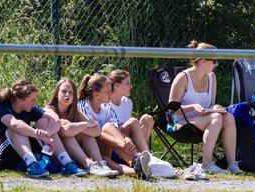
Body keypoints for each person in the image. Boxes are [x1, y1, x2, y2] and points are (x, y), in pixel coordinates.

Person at [169, 40, 243, 174]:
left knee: (228, 117)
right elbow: (171, 110)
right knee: (216, 118)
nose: (216, 64)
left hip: (202, 119)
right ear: (203, 61)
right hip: (178, 123)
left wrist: (216, 107)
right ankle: (206, 163)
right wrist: (193, 107)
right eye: (214, 61)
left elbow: (210, 105)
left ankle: (232, 164)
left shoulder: (211, 77)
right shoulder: (183, 77)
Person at [0, 79, 87, 178]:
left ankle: (67, 163)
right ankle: (32, 164)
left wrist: (47, 133)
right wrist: (42, 137)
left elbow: (55, 120)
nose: (35, 102)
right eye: (32, 99)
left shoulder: (30, 108)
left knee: (44, 122)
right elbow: (15, 124)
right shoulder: (2, 107)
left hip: (18, 156)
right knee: (19, 128)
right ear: (20, 101)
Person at [77, 73, 151, 178]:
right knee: (106, 128)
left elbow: (115, 130)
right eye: (108, 92)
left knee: (107, 159)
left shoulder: (106, 107)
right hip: (90, 148)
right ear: (96, 94)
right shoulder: (83, 106)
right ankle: (136, 159)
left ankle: (137, 170)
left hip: (107, 150)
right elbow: (94, 132)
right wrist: (121, 143)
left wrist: (125, 140)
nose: (110, 94)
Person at [44, 78, 118, 177]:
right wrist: (86, 124)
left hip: (70, 155)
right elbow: (64, 132)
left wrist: (78, 126)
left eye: (71, 93)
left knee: (86, 133)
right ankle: (89, 165)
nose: (67, 95)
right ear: (57, 94)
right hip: (51, 154)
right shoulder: (50, 110)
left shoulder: (75, 112)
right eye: (64, 92)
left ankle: (100, 164)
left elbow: (97, 131)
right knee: (73, 133)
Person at [107, 69, 154, 143]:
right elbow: (108, 131)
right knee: (133, 121)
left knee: (147, 119)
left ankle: (140, 152)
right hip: (115, 141)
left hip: (128, 139)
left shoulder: (127, 102)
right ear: (117, 86)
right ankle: (140, 151)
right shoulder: (105, 104)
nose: (131, 86)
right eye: (127, 83)